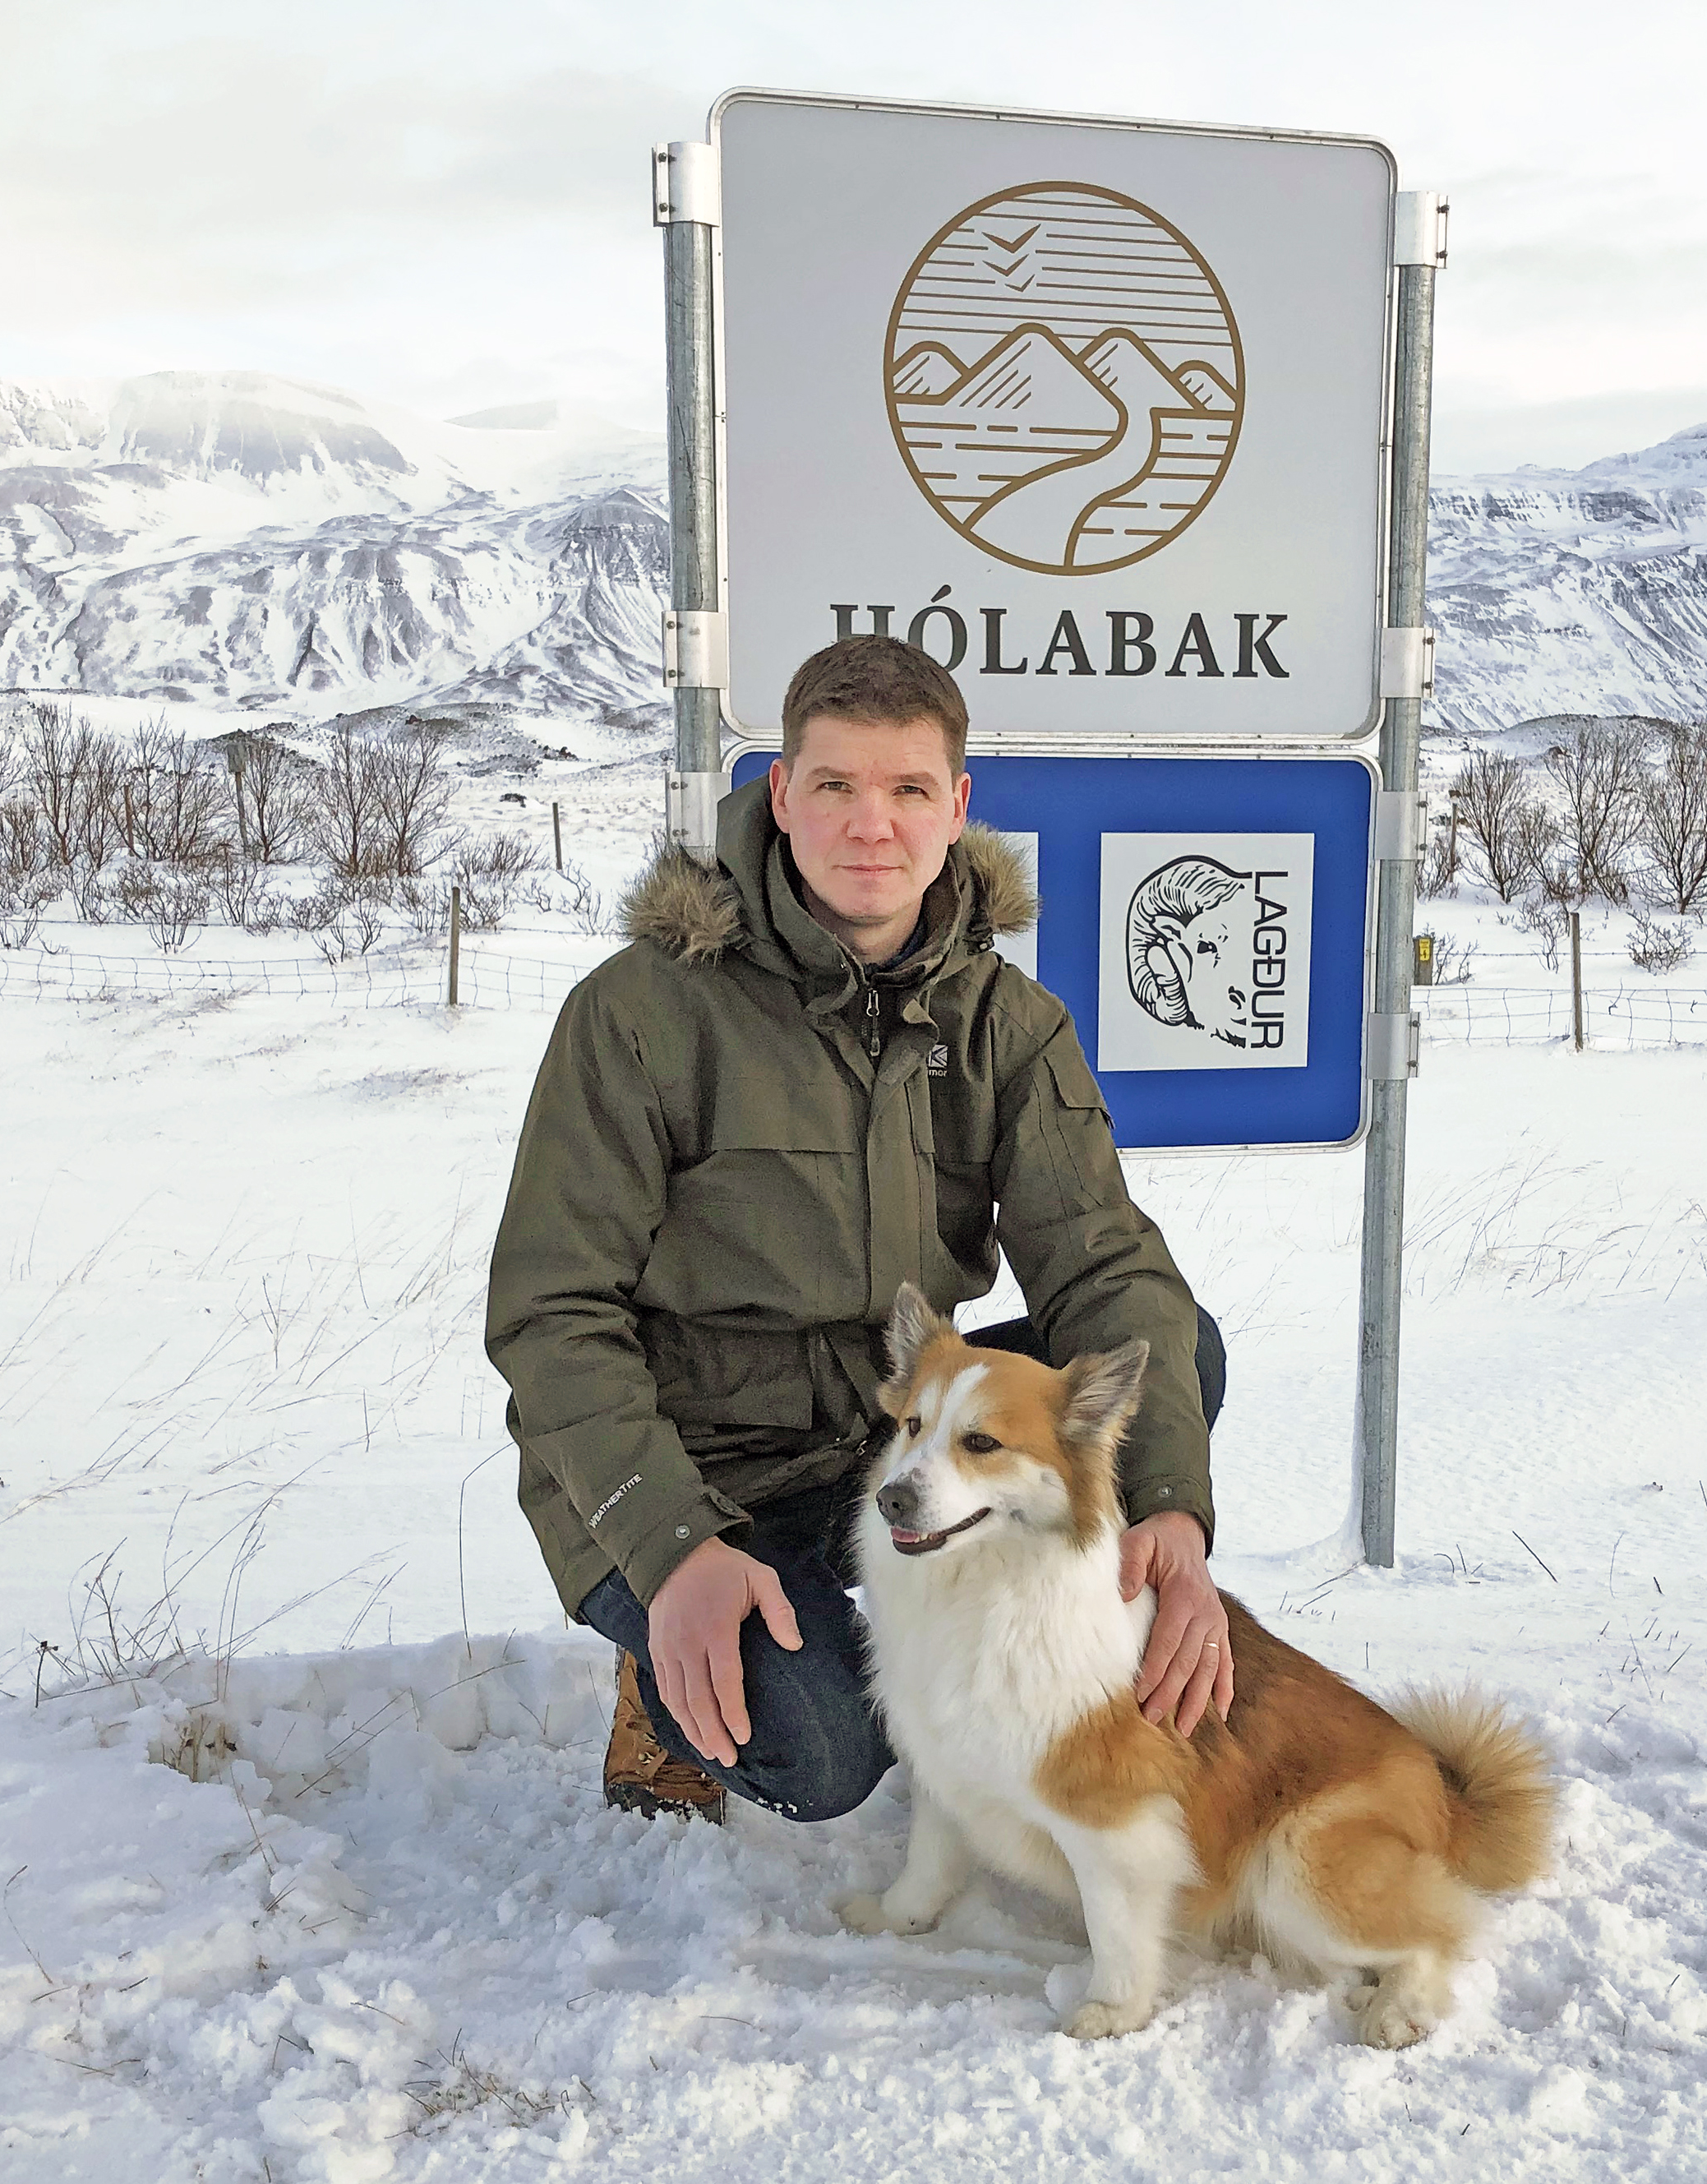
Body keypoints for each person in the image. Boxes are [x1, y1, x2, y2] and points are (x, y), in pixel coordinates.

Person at [486, 635, 1232, 1823]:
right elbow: (550, 1312)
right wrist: (670, 1548)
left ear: (957, 809)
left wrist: (1176, 1515)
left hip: (889, 1445)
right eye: (833, 785)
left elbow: (1106, 1262)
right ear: (781, 794)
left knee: (1173, 1348)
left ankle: (1005, 1636)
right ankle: (663, 1664)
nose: (869, 825)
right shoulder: (644, 1013)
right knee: (826, 1752)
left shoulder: (1004, 1024)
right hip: (697, 1472)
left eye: (907, 790)